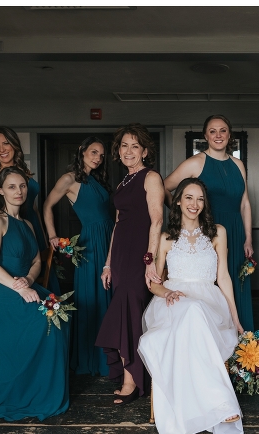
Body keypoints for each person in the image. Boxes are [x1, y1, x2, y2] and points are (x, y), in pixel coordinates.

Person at [139, 178, 244, 434]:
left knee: (195, 310)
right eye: (188, 197)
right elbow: (153, 284)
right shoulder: (166, 238)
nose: (194, 204)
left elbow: (224, 278)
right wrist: (168, 293)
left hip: (209, 303)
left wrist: (235, 318)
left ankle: (184, 417)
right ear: (177, 202)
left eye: (199, 199)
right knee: (188, 312)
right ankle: (220, 404)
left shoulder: (218, 233)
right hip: (172, 302)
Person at [0, 167, 70, 421]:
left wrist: (29, 280)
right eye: (11, 186)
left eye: (22, 186)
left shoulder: (28, 224)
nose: (19, 191)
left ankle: (38, 391)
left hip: (25, 285)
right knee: (43, 323)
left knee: (59, 317)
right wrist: (20, 288)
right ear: (0, 190)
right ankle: (18, 391)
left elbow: (36, 262)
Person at [164, 115, 254, 331]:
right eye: (212, 131)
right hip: (207, 232)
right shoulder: (195, 162)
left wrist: (248, 238)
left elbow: (245, 203)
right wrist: (184, 215)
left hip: (235, 231)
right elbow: (164, 187)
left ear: (229, 135)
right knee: (213, 287)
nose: (218, 135)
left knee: (236, 284)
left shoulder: (239, 165)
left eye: (223, 130)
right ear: (205, 136)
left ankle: (242, 341)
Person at [96, 124, 165, 405]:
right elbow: (117, 224)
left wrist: (150, 260)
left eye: (135, 146)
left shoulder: (151, 177)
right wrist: (108, 264)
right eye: (124, 145)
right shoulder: (123, 182)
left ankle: (132, 381)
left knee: (130, 313)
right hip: (121, 256)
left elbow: (157, 219)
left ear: (145, 151)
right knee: (125, 313)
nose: (128, 151)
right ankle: (132, 377)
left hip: (140, 254)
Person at [44, 137, 113, 376]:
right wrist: (53, 236)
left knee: (109, 294)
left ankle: (109, 356)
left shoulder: (96, 178)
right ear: (82, 151)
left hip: (109, 237)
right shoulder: (69, 179)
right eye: (93, 152)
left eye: (101, 155)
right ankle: (92, 359)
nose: (97, 158)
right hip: (91, 242)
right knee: (94, 296)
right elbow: (46, 205)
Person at [0, 126, 60, 293]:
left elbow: (34, 208)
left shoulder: (23, 169)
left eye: (6, 143)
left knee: (42, 275)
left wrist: (43, 238)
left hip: (31, 227)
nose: (1, 149)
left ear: (14, 144)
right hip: (9, 230)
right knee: (18, 278)